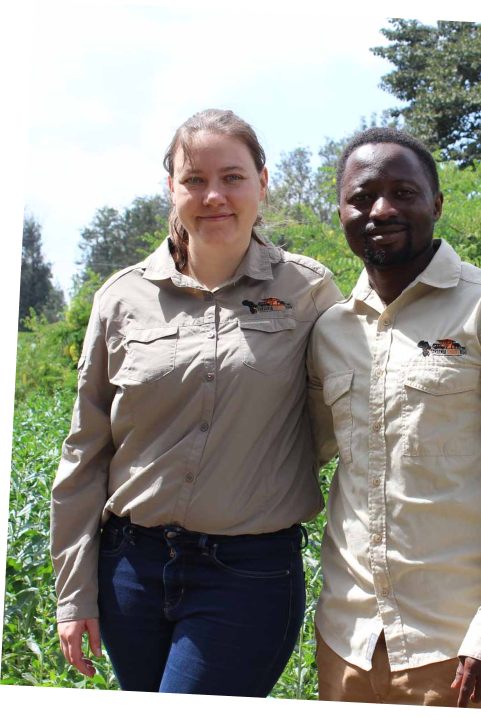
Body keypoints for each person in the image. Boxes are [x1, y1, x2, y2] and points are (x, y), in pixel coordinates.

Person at [50, 109, 343, 695]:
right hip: (130, 571)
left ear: (263, 183)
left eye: (233, 177)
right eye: (194, 180)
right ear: (172, 189)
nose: (214, 196)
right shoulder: (121, 298)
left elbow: (341, 421)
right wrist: (73, 591)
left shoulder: (309, 292)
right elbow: (86, 450)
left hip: (248, 574)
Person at [306, 127, 481, 708]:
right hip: (346, 644)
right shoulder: (331, 329)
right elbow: (308, 455)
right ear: (341, 211)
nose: (382, 209)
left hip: (457, 650)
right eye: (362, 196)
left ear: (437, 204)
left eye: (404, 192)